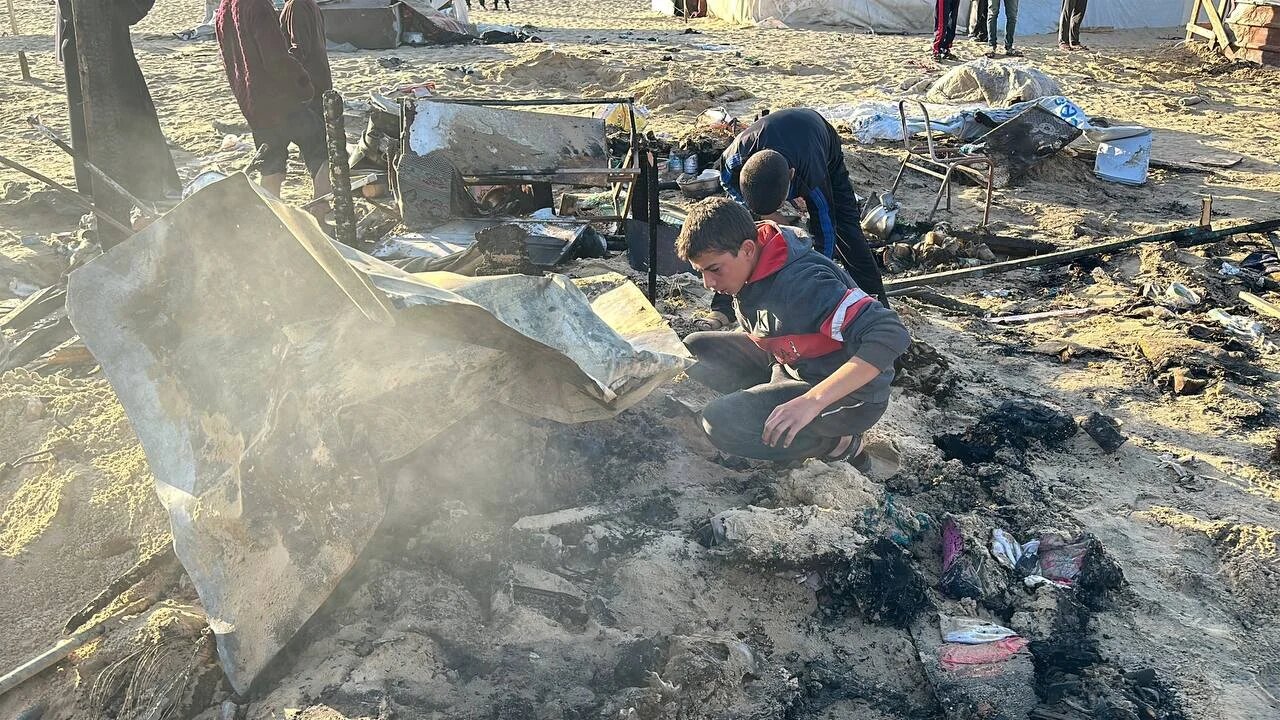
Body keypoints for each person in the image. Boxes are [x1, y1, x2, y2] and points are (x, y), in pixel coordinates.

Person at [678, 198, 910, 463]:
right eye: (701, 272)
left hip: (849, 393)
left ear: (747, 249)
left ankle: (838, 444)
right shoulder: (752, 264)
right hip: (793, 360)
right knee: (693, 350)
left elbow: (890, 330)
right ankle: (776, 398)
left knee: (719, 423)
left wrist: (812, 400)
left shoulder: (803, 284)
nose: (708, 283)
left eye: (714, 269)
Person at [714, 109, 887, 330]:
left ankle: (878, 306)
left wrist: (808, 274)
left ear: (791, 176)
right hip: (777, 135)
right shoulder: (736, 156)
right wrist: (764, 216)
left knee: (847, 230)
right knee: (739, 232)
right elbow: (726, 181)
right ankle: (722, 308)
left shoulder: (812, 176)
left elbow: (825, 232)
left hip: (820, 138)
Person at [216, 0, 331, 203]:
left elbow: (230, 63)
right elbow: (275, 59)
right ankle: (320, 213)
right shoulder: (257, 6)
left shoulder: (223, 10)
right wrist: (303, 87)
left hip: (255, 107)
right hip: (282, 103)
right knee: (321, 152)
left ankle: (271, 223)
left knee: (271, 166)